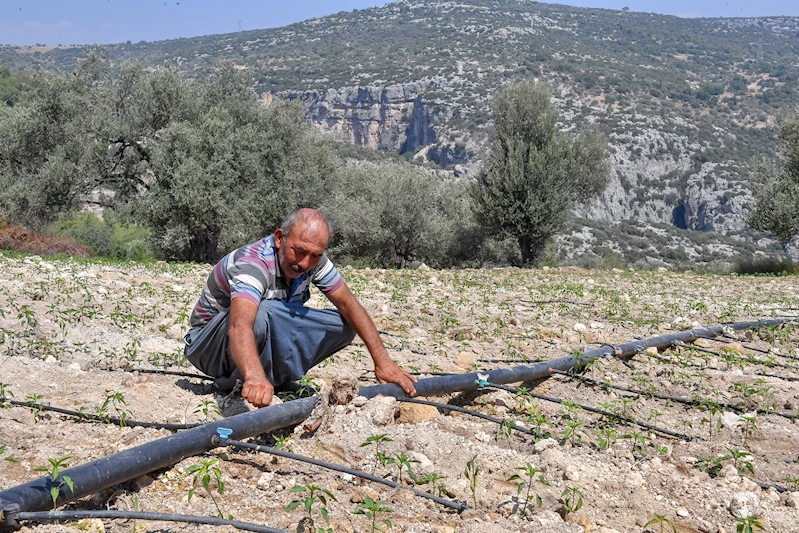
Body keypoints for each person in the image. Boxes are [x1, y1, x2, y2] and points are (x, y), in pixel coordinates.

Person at [183, 208, 417, 407]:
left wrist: (383, 361)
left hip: (258, 331)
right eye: (299, 251)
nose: (304, 263)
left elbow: (348, 304)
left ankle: (275, 380)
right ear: (279, 238)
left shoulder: (313, 261)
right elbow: (239, 324)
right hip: (208, 345)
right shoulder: (253, 264)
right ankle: (239, 381)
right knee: (263, 313)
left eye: (315, 255)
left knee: (344, 325)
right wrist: (254, 376)